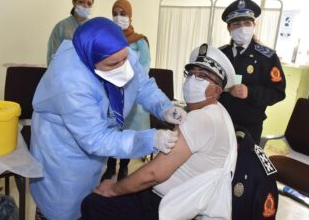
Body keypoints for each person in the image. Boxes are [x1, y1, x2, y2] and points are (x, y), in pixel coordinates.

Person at [30, 17, 187, 220]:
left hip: (94, 145)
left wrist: (164, 108)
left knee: (90, 202)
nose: (123, 67)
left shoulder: (118, 51)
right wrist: (150, 139)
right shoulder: (71, 81)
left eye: (125, 59)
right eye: (113, 64)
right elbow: (95, 138)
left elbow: (143, 85)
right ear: (90, 60)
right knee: (61, 210)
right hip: (64, 153)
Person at [81, 44, 238, 220]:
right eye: (191, 73)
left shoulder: (201, 119)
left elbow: (154, 174)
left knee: (93, 203)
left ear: (217, 91)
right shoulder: (219, 112)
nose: (193, 80)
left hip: (165, 206)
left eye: (202, 76)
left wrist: (114, 189)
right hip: (179, 202)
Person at [218, 0, 286, 144]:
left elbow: (278, 92)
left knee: (244, 164)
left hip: (249, 125)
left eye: (247, 23)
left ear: (254, 25)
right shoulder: (220, 54)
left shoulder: (267, 57)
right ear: (229, 28)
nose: (242, 28)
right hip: (220, 118)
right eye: (236, 24)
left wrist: (250, 92)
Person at [103, 0, 151, 181]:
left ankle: (123, 167)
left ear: (130, 16)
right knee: (111, 131)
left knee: (127, 134)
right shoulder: (108, 38)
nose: (118, 17)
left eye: (122, 13)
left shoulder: (140, 42)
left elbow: (144, 67)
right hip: (111, 93)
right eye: (115, 13)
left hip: (132, 95)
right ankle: (110, 166)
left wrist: (126, 81)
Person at [47, 0, 94, 65]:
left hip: (87, 74)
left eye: (89, 4)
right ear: (73, 2)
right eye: (81, 2)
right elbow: (52, 56)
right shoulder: (61, 27)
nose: (85, 6)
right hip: (64, 73)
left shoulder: (94, 28)